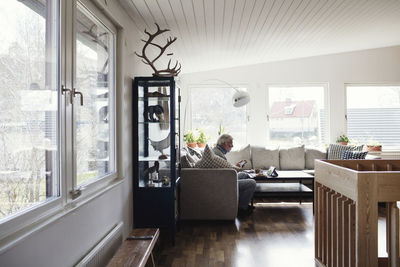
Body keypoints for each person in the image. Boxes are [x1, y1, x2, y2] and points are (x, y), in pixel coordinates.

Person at [213, 134, 256, 216]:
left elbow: (224, 168)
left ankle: (240, 203)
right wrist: (235, 168)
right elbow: (226, 171)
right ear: (224, 143)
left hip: (225, 178)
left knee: (244, 175)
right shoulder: (218, 154)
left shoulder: (217, 151)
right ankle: (241, 209)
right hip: (225, 183)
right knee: (252, 183)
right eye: (230, 143)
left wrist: (235, 167)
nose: (232, 145)